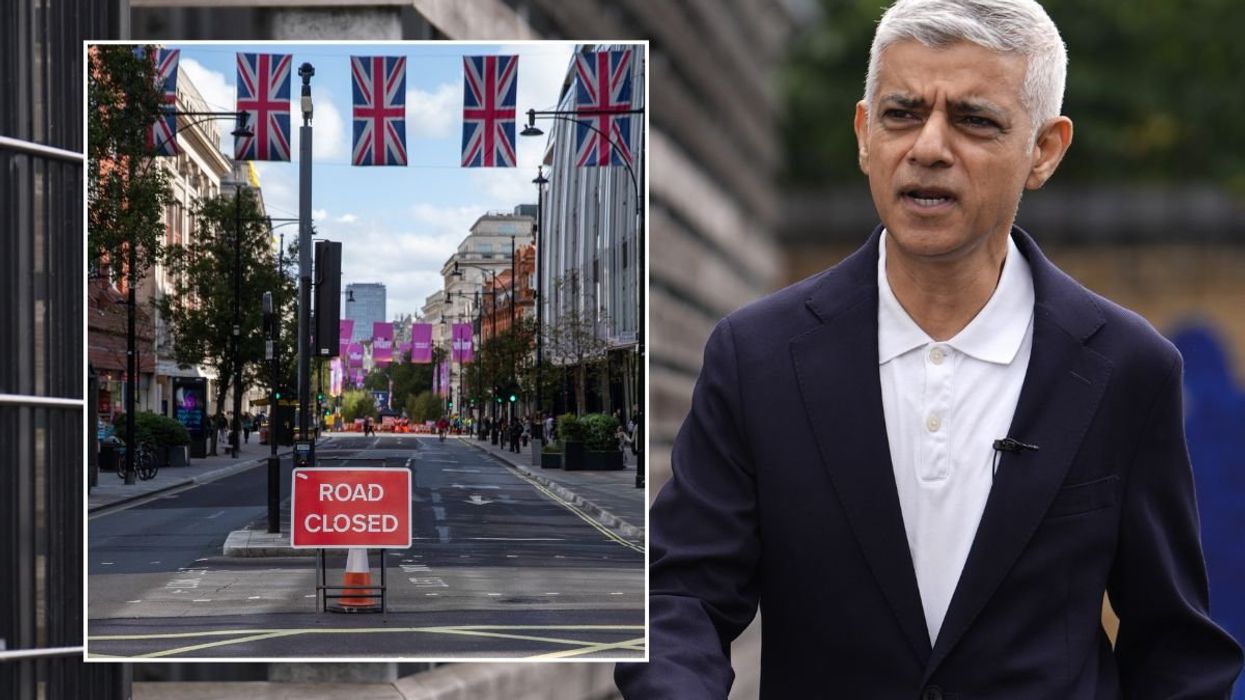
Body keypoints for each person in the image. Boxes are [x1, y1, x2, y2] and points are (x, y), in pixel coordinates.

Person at [616, 1, 1243, 697]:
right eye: (901, 113)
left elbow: (1175, 649)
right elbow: (681, 599)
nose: (928, 147)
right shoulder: (756, 356)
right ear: (862, 132)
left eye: (974, 120)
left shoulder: (1128, 367)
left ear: (1043, 149)